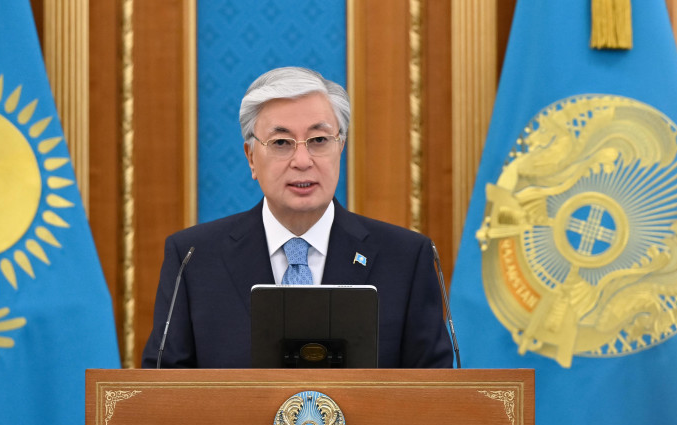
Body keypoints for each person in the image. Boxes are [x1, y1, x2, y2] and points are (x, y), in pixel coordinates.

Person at [142, 66, 453, 369]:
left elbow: (435, 392)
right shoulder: (193, 259)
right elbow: (161, 389)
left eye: (318, 140)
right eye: (281, 143)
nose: (302, 161)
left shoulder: (405, 259)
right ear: (251, 157)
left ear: (340, 148)